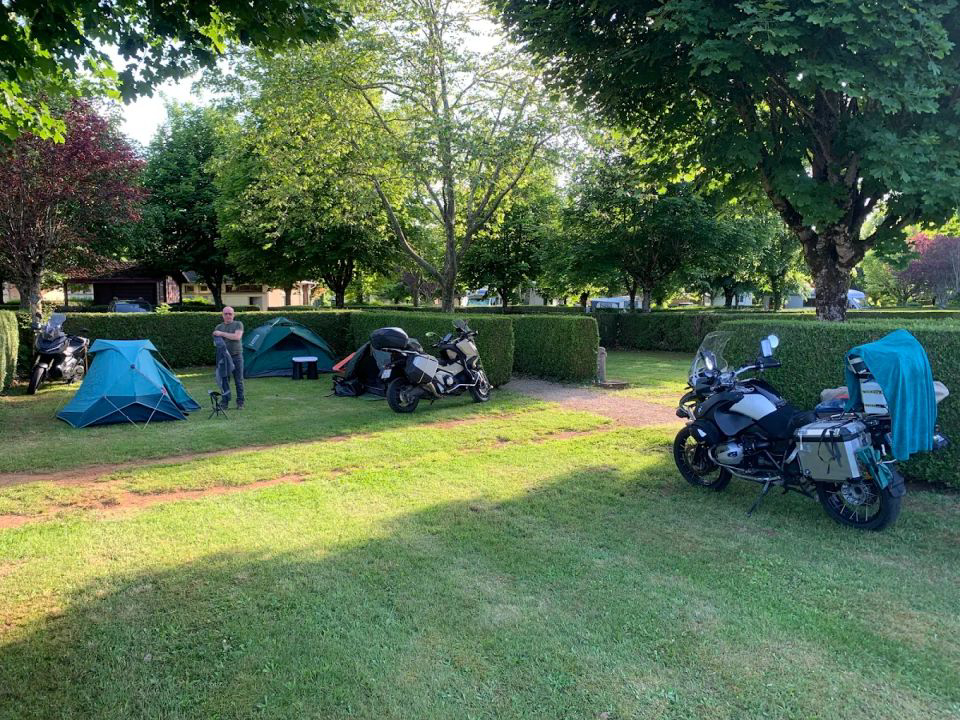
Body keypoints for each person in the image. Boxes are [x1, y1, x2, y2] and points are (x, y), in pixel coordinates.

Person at [213, 306, 245, 409]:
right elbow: (216, 343)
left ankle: (240, 402)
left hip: (236, 356)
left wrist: (222, 334)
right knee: (224, 380)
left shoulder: (238, 324)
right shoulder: (218, 327)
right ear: (222, 315)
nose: (228, 316)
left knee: (238, 380)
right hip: (224, 358)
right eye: (226, 314)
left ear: (233, 315)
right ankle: (225, 402)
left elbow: (237, 337)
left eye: (230, 314)